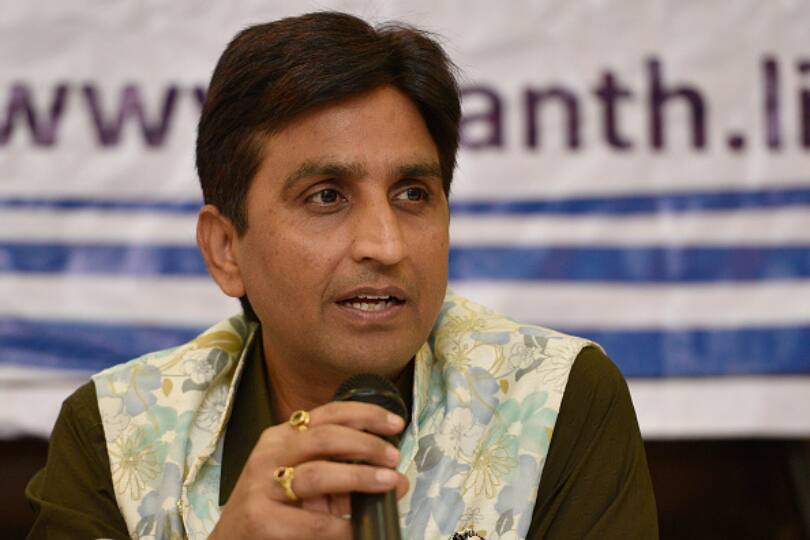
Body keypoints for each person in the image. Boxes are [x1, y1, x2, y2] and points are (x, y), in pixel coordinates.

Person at [26, 11, 658, 539]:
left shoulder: (554, 399)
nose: (385, 245)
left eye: (412, 194)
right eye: (326, 196)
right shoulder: (113, 431)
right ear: (225, 250)